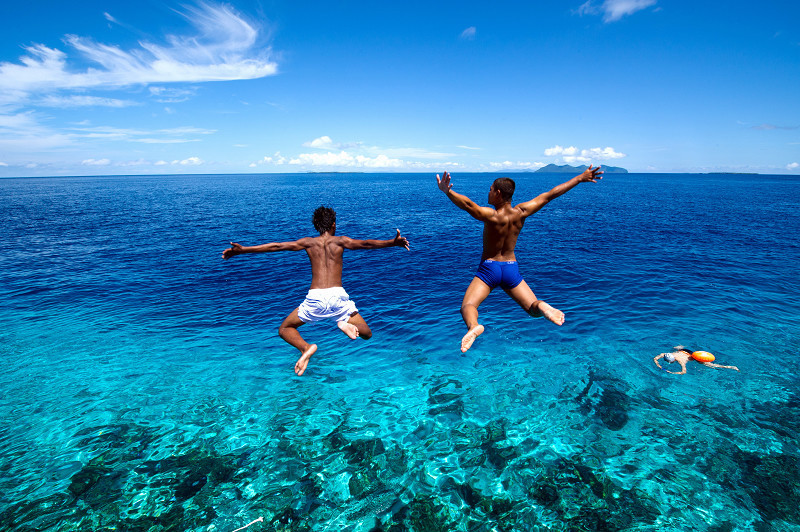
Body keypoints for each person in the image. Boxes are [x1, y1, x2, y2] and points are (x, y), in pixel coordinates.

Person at [222, 206, 409, 376]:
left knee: (285, 328)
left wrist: (243, 250)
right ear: (334, 224)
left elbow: (277, 246)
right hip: (338, 297)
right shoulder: (341, 241)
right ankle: (344, 324)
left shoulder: (308, 243)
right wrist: (392, 243)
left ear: (316, 225)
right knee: (366, 333)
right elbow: (366, 244)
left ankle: (305, 348)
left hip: (316, 298)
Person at [436, 167, 603, 352]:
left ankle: (474, 326)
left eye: (490, 189)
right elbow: (549, 195)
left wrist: (448, 191)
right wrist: (579, 178)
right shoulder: (521, 212)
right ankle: (543, 306)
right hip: (510, 269)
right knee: (533, 308)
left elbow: (468, 205)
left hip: (489, 269)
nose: (488, 192)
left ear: (498, 193)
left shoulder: (491, 215)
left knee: (468, 305)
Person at [653, 346, 740, 375]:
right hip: (684, 350)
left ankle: (731, 367)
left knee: (711, 365)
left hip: (694, 357)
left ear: (673, 360)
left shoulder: (681, 361)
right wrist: (658, 365)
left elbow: (684, 372)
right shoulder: (665, 354)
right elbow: (655, 358)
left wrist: (671, 372)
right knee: (678, 347)